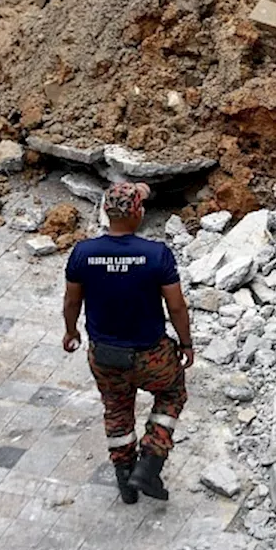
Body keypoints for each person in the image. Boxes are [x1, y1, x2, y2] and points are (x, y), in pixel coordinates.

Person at [62, 182, 194, 504]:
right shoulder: (156, 255)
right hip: (152, 354)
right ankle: (150, 460)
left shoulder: (83, 253)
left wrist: (71, 331)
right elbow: (176, 306)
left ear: (106, 213)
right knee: (172, 392)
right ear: (138, 214)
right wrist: (186, 343)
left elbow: (71, 301)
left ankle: (125, 478)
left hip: (106, 356)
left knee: (117, 409)